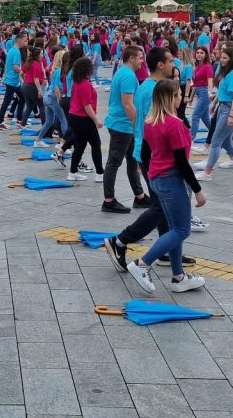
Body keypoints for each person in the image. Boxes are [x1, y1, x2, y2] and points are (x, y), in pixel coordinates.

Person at [104, 80, 207, 294]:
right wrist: (197, 190)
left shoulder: (150, 122)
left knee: (173, 228)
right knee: (181, 230)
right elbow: (182, 162)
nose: (182, 97)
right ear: (171, 98)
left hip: (158, 179)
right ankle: (142, 264)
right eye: (179, 94)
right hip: (172, 180)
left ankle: (179, 277)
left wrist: (151, 175)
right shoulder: (174, 124)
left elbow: (145, 153)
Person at [197, 47, 233, 181]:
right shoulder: (226, 73)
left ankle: (207, 172)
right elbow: (222, 91)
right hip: (223, 107)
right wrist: (214, 104)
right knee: (227, 143)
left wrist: (232, 115)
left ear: (232, 59)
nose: (222, 60)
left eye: (225, 58)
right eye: (221, 57)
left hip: (229, 109)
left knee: (216, 141)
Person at [102, 45, 147, 213]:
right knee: (114, 162)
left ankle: (140, 196)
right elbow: (127, 104)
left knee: (132, 160)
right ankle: (109, 200)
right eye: (140, 58)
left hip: (122, 124)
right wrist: (138, 125)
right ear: (131, 58)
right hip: (122, 125)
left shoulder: (123, 72)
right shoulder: (128, 76)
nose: (142, 61)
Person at [64, 57, 104, 182]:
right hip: (83, 118)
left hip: (74, 117)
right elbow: (86, 105)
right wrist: (96, 120)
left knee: (80, 145)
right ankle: (100, 173)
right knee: (95, 144)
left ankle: (73, 172)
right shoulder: (85, 84)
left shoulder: (77, 83)